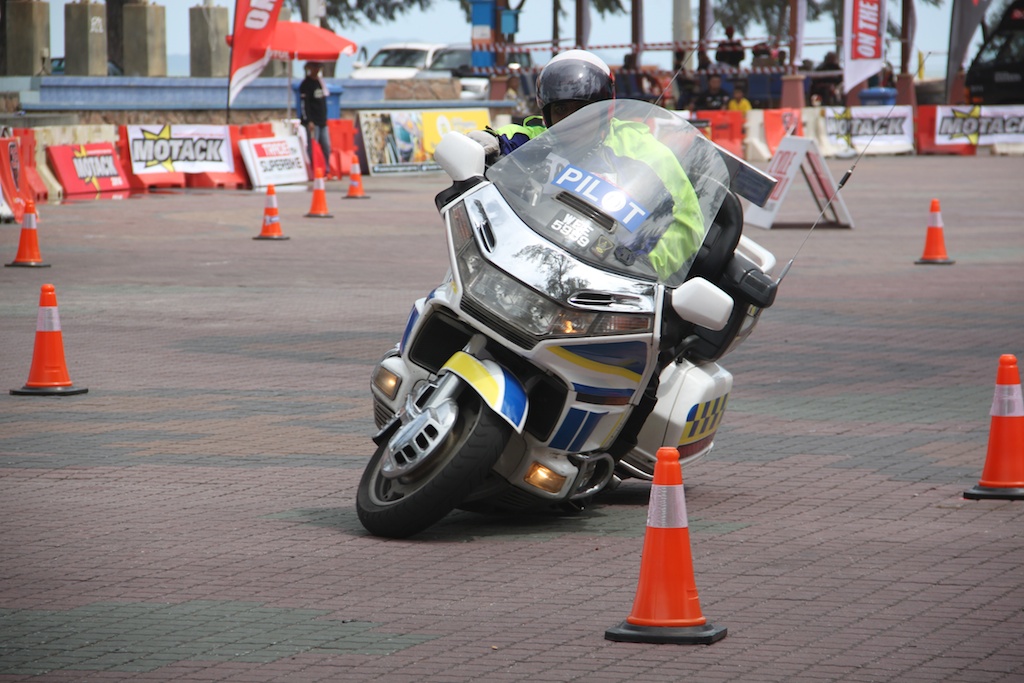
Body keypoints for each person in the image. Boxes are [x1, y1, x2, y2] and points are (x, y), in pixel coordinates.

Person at [469, 49, 705, 281]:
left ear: (605, 111)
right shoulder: (535, 142)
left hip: (607, 276)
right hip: (531, 263)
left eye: (584, 109)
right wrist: (487, 143)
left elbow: (685, 223)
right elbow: (506, 139)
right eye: (562, 110)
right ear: (547, 115)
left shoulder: (643, 151)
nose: (573, 120)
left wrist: (638, 266)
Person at [299, 61, 331, 168]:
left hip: (322, 121)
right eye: (314, 67)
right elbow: (304, 104)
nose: (317, 70)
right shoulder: (305, 84)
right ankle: (314, 168)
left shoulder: (320, 82)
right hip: (313, 121)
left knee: (326, 146)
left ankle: (326, 168)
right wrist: (308, 120)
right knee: (313, 147)